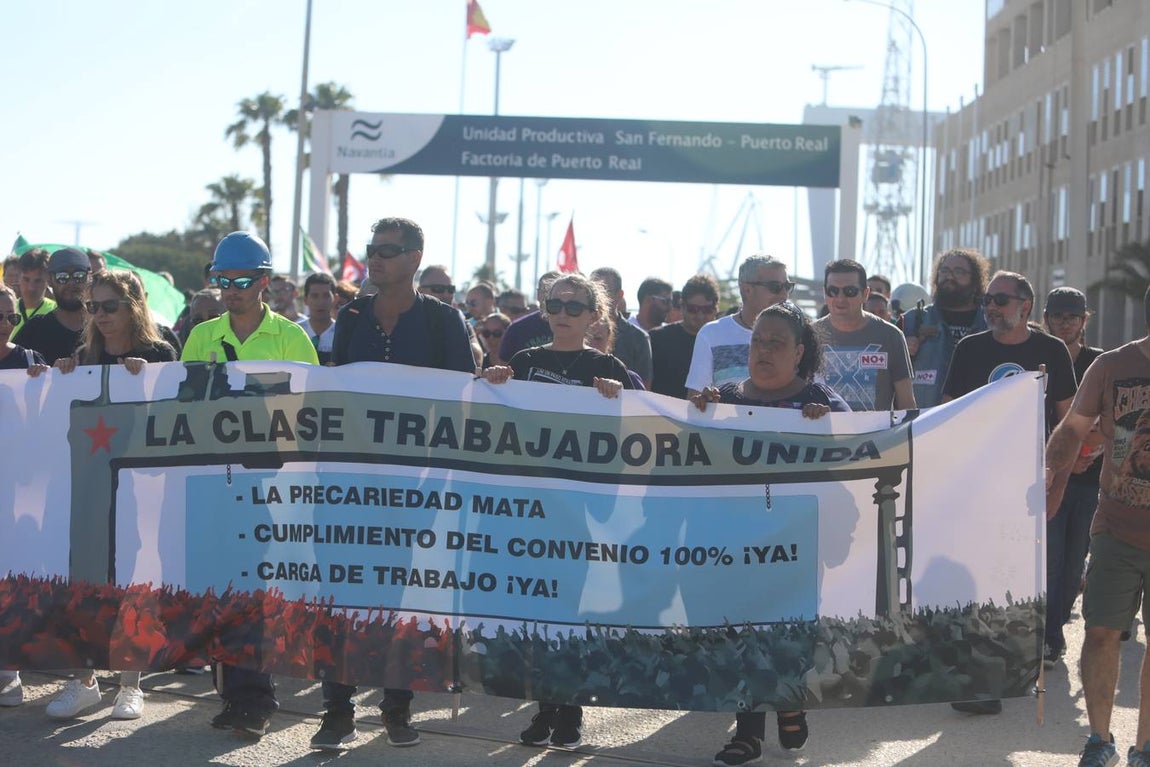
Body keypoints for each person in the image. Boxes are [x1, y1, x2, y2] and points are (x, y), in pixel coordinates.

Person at [319, 217, 474, 752]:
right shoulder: (352, 314)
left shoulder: (444, 321)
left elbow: (459, 400)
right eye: (371, 249)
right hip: (351, 482)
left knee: (402, 595)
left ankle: (397, 707)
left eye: (388, 250)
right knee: (340, 593)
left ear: (414, 258)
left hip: (416, 487)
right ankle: (336, 712)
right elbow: (339, 393)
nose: (376, 258)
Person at [691, 302, 849, 765]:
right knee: (739, 630)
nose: (764, 350)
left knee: (790, 630)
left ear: (798, 351)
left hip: (798, 540)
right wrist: (697, 413)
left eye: (776, 343)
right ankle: (747, 734)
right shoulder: (723, 398)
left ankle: (791, 700)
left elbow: (856, 460)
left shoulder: (822, 404)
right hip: (734, 541)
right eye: (758, 341)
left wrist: (830, 431)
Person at [482, 273, 634, 749]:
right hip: (530, 509)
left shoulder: (610, 367)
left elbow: (640, 429)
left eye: (575, 306)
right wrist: (494, 381)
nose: (564, 313)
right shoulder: (525, 362)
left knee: (570, 613)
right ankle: (546, 708)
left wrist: (620, 397)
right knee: (534, 611)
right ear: (544, 310)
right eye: (556, 304)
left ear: (595, 316)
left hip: (583, 511)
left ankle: (569, 714)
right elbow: (490, 418)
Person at [182, 232, 319, 738]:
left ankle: (255, 700)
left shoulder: (292, 337)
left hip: (270, 484)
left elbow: (308, 408)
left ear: (264, 282)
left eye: (242, 280)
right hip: (213, 482)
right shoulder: (200, 335)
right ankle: (234, 694)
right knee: (219, 589)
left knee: (256, 592)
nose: (231, 289)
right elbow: (187, 404)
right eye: (223, 280)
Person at [43, 271, 177, 721]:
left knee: (135, 577)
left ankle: (130, 684)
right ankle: (84, 681)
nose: (99, 316)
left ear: (134, 305)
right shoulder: (82, 357)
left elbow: (175, 414)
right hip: (90, 488)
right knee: (86, 577)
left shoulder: (160, 353)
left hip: (143, 488)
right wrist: (58, 377)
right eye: (92, 307)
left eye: (109, 306)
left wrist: (148, 381)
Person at [942, 269, 1076, 716]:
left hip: (1030, 487)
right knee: (979, 579)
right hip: (977, 485)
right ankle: (981, 681)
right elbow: (948, 416)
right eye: (988, 300)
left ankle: (1005, 668)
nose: (992, 307)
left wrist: (1056, 481)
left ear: (1026, 306)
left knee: (1018, 581)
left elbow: (1067, 424)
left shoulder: (1051, 351)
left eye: (1001, 299)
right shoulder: (970, 350)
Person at [1045, 286, 1150, 767]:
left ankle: (1144, 747)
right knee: (1102, 631)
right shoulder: (1111, 366)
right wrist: (1054, 481)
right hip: (1117, 526)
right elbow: (1072, 428)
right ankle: (1100, 740)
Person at [1042, 287, 1105, 669]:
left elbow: (1109, 417)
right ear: (1046, 317)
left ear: (1085, 320)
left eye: (1072, 316)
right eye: (1058, 316)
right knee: (1051, 559)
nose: (1064, 323)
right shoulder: (1040, 356)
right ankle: (1048, 636)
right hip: (1049, 474)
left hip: (1087, 476)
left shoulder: (1100, 362)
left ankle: (1056, 625)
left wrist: (1083, 455)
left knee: (1073, 563)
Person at [812, 259, 916, 412]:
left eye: (850, 291)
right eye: (833, 291)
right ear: (824, 292)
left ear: (865, 294)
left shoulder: (891, 336)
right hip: (822, 433)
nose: (840, 298)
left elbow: (907, 403)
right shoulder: (809, 334)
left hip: (876, 435)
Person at [687, 255, 793, 397]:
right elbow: (695, 399)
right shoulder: (711, 334)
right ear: (747, 290)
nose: (784, 295)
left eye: (787, 287)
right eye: (775, 287)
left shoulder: (798, 334)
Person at [901, 248, 991, 408]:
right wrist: (902, 349)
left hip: (978, 417)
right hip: (925, 422)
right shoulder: (911, 320)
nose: (949, 277)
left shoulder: (990, 321)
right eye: (944, 271)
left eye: (959, 272)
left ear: (976, 281)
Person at [649, 274, 719, 398]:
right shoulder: (657, 339)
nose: (700, 316)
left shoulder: (722, 342)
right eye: (693, 309)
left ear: (715, 309)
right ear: (682, 306)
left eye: (707, 310)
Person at [16, 247, 90, 364]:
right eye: (62, 277)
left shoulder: (103, 327)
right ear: (49, 280)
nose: (71, 283)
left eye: (78, 276)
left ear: (89, 277)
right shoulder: (35, 329)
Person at [590, 267, 653, 386]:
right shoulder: (578, 330)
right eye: (593, 292)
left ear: (619, 295)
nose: (598, 298)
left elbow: (643, 389)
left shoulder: (638, 337)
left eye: (604, 292)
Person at [418, 264, 482, 370]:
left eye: (450, 289)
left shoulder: (458, 321)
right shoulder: (409, 315)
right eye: (438, 289)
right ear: (420, 290)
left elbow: (476, 358)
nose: (446, 294)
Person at [500, 271, 560, 361]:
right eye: (546, 290)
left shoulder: (572, 328)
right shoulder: (517, 328)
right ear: (538, 294)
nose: (550, 295)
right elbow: (504, 365)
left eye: (556, 291)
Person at [11, 247, 56, 340]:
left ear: (48, 280)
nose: (31, 287)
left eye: (38, 281)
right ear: (18, 277)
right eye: (26, 279)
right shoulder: (7, 311)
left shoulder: (57, 313)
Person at [298, 272, 337, 364]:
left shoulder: (343, 333)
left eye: (326, 296)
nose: (321, 302)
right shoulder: (295, 331)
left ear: (335, 299)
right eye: (314, 296)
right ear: (305, 300)